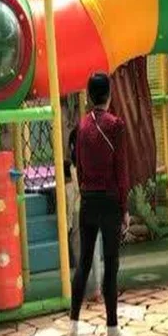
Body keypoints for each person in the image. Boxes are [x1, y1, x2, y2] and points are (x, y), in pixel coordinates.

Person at [68, 72, 129, 336]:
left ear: (89, 96)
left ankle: (73, 326)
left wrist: (85, 194)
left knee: (83, 263)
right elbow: (121, 171)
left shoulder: (81, 127)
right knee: (111, 263)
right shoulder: (116, 125)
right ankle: (112, 328)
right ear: (109, 95)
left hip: (88, 200)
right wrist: (124, 207)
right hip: (111, 201)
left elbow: (79, 167)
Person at [67, 128, 103, 302]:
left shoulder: (73, 167)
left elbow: (73, 194)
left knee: (79, 248)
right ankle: (97, 288)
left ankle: (84, 284)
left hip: (79, 210)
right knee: (94, 250)